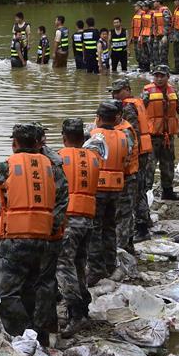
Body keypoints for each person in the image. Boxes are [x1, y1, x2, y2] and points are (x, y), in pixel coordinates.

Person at [0, 123, 67, 341]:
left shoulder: (5, 166)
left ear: (15, 143)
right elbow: (62, 200)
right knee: (32, 288)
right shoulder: (53, 167)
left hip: (15, 239)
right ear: (39, 143)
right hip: (44, 239)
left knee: (7, 294)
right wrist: (49, 227)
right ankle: (38, 337)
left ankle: (23, 337)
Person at [55, 118, 103, 336]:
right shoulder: (93, 157)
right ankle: (83, 307)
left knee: (64, 266)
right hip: (88, 218)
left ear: (64, 137)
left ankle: (76, 315)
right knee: (79, 264)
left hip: (69, 219)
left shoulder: (58, 158)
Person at [87, 101, 133, 284]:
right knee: (110, 227)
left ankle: (96, 269)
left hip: (97, 188)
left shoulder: (93, 135)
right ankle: (110, 264)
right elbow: (127, 160)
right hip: (116, 188)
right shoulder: (124, 136)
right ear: (116, 119)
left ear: (98, 118)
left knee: (95, 229)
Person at [112, 78, 154, 243]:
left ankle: (142, 228)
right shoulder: (136, 102)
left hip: (138, 153)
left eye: (118, 92)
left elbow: (132, 133)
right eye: (114, 92)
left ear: (128, 90)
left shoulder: (128, 107)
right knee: (140, 188)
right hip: (143, 150)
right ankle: (145, 221)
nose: (115, 95)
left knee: (137, 191)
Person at [142, 65, 179, 201]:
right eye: (156, 76)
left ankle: (168, 192)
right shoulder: (147, 92)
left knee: (168, 165)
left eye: (162, 76)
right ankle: (145, 194)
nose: (159, 79)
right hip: (151, 137)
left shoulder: (174, 91)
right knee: (149, 166)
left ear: (168, 77)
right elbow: (139, 111)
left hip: (168, 136)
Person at [152, 0, 170, 67]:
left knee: (163, 53)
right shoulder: (155, 11)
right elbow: (154, 24)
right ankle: (156, 67)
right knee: (155, 51)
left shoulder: (164, 10)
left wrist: (165, 35)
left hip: (163, 35)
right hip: (157, 35)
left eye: (154, 2)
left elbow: (167, 23)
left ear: (158, 2)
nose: (153, 3)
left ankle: (164, 68)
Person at [137, 1, 153, 72]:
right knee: (144, 52)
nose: (142, 7)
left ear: (148, 6)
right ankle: (146, 68)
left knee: (151, 52)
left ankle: (153, 67)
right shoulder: (143, 14)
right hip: (143, 34)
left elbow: (154, 25)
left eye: (144, 6)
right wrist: (140, 35)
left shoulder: (152, 13)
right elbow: (142, 26)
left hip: (149, 35)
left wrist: (151, 35)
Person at [130, 1, 143, 68]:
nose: (134, 7)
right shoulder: (136, 15)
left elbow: (144, 26)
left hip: (140, 37)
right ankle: (140, 65)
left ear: (139, 6)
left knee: (141, 52)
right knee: (136, 52)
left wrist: (141, 36)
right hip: (135, 36)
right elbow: (133, 27)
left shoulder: (143, 14)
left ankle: (143, 66)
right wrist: (131, 37)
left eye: (136, 6)